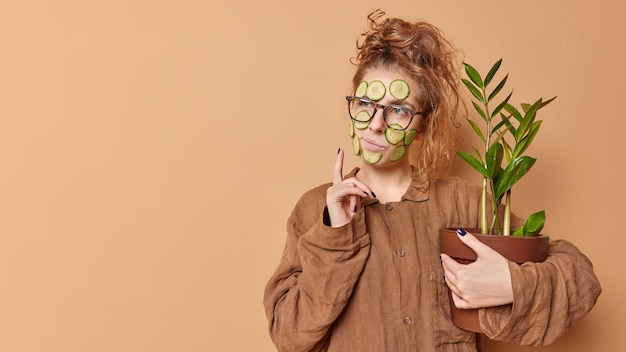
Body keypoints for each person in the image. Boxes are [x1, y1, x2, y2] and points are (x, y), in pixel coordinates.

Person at [263, 9, 601, 352]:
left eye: (399, 109)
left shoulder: (464, 203)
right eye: (366, 103)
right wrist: (336, 237)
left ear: (423, 125)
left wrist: (510, 284)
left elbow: (580, 276)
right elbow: (290, 336)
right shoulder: (313, 210)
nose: (376, 124)